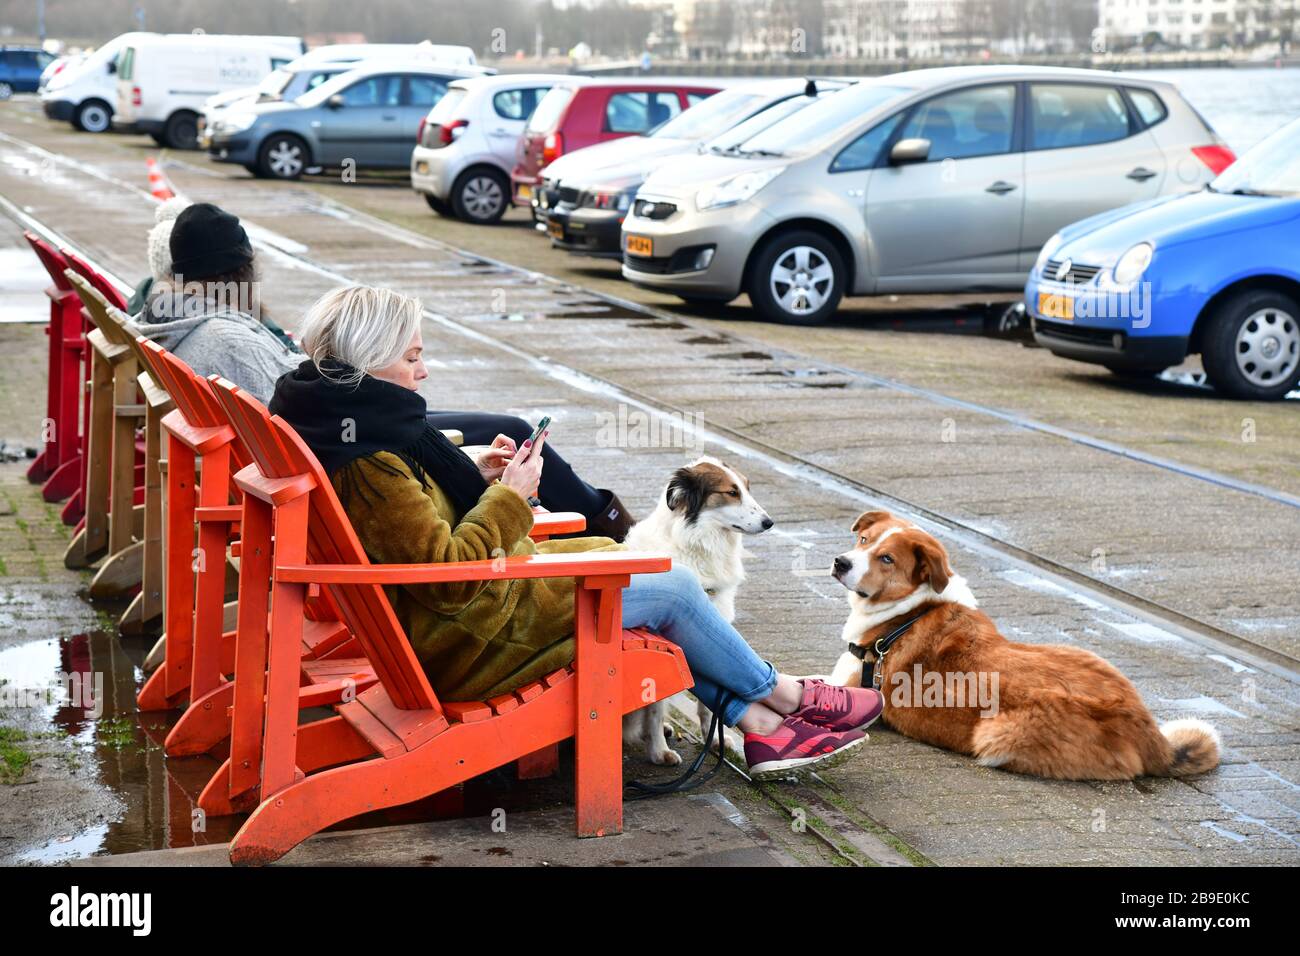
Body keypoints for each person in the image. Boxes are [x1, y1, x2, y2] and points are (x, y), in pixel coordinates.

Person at [270, 284, 884, 778]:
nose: (424, 371)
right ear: (369, 359)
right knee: (669, 586)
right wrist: (511, 497)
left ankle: (762, 723)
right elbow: (448, 577)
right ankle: (785, 699)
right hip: (473, 640)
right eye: (412, 357)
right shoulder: (371, 456)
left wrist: (479, 476)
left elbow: (411, 524)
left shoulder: (343, 420)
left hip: (456, 625)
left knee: (627, 565)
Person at [131, 202, 634, 538]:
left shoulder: (187, 321)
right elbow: (291, 412)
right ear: (239, 272)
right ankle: (610, 527)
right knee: (513, 428)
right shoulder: (227, 336)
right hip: (344, 436)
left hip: (322, 441)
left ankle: (597, 517)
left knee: (494, 434)